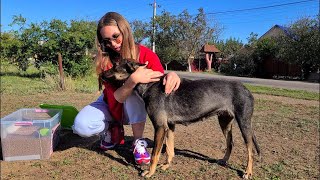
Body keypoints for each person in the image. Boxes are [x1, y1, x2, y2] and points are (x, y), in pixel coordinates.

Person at [72, 12, 181, 165]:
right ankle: (111, 128)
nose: (113, 44)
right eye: (107, 40)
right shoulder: (105, 59)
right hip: (111, 102)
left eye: (116, 36)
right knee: (81, 126)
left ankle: (138, 142)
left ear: (125, 31)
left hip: (134, 106)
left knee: (134, 91)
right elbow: (117, 98)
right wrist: (133, 79)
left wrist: (172, 75)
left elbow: (159, 81)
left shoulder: (145, 53)